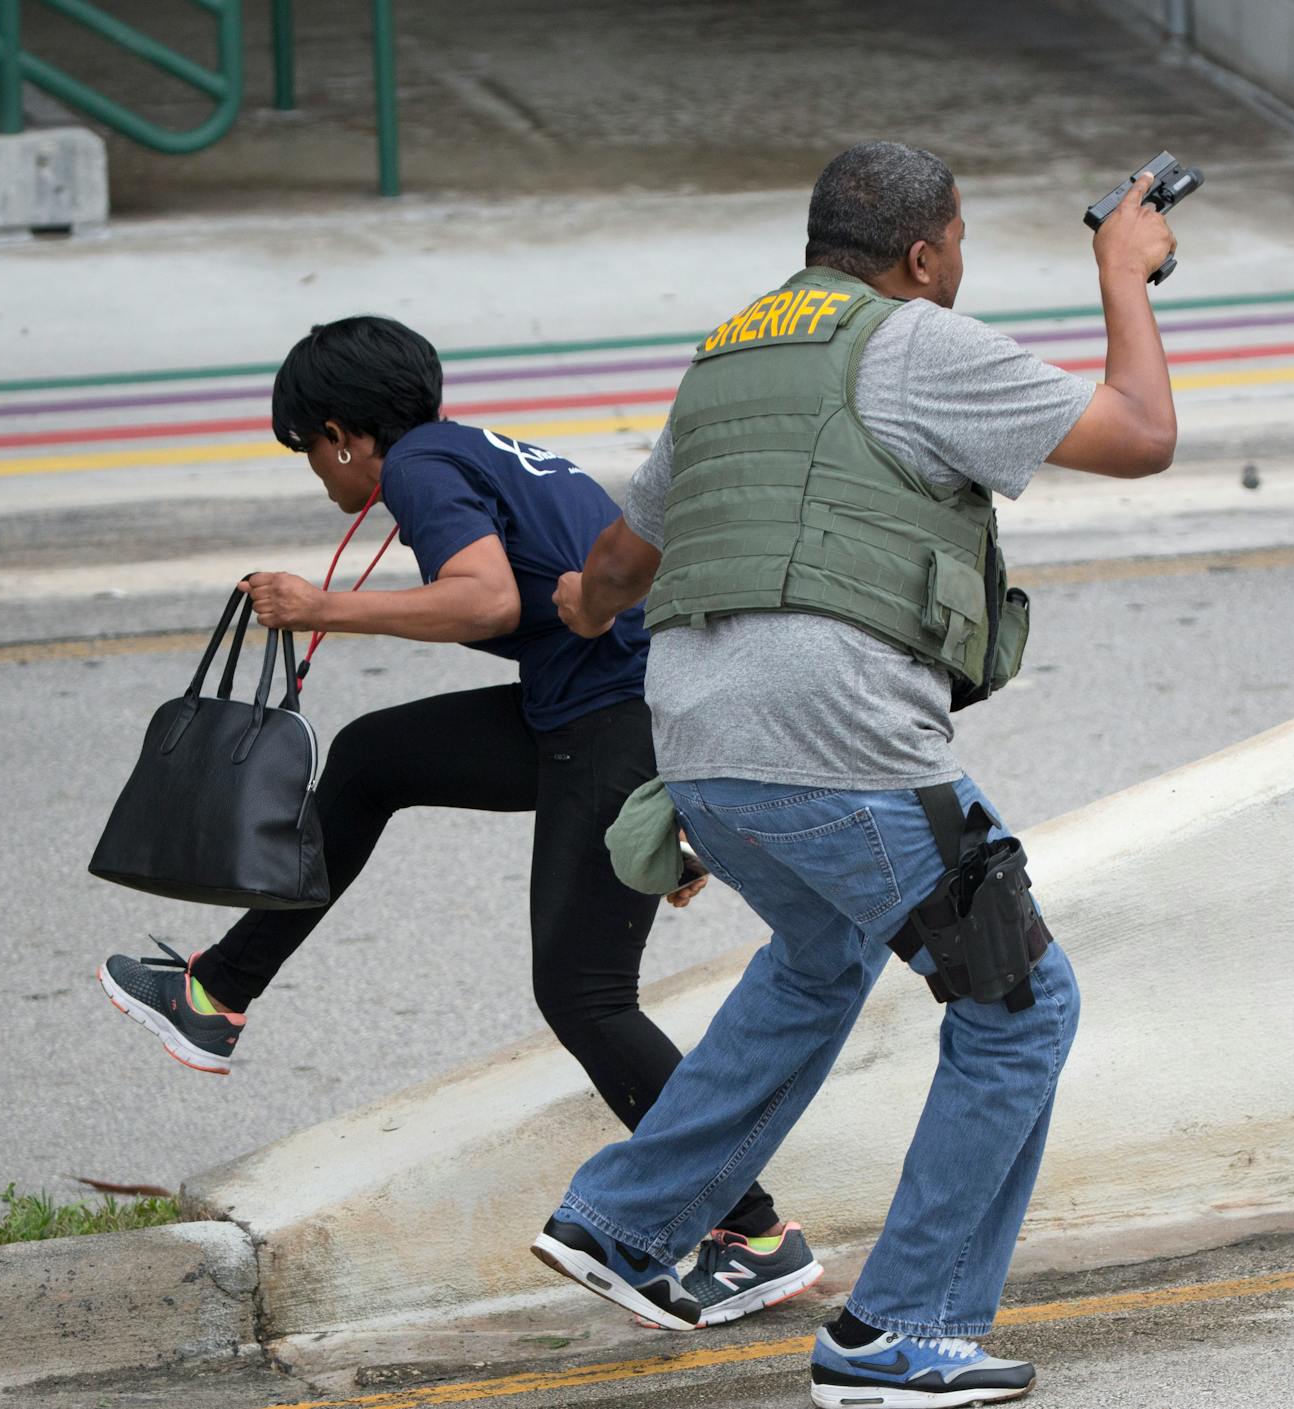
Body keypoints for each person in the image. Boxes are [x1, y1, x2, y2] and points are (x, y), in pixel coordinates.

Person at [535, 142, 1177, 1406]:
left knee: (820, 956)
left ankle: (625, 1217)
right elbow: (1142, 433)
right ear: (925, 254)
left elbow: (622, 553)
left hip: (705, 753)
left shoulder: (730, 354)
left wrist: (578, 601)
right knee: (1019, 1006)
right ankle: (898, 1330)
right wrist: (1125, 270)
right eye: (958, 248)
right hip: (840, 747)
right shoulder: (920, 341)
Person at [95, 316, 821, 1326]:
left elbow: (479, 598)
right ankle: (217, 991)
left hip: (613, 721)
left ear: (344, 434)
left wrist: (320, 607)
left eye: (311, 449)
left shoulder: (424, 468)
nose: (318, 472)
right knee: (374, 757)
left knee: (584, 992)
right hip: (599, 706)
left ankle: (751, 1229)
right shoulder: (471, 450)